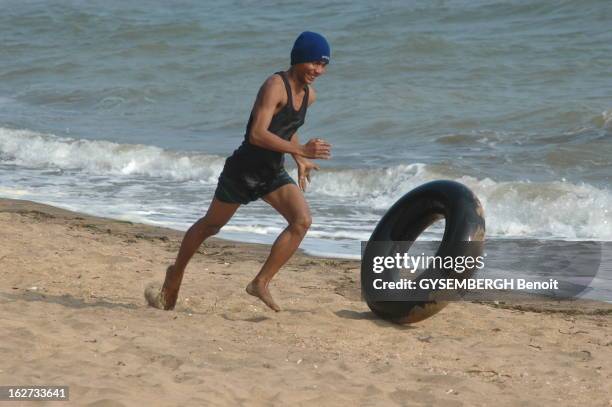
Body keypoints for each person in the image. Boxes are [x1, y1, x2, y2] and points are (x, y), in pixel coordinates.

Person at [145, 31, 332, 312]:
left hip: (271, 172)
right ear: (299, 59)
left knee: (302, 221)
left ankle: (261, 283)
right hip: (243, 171)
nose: (318, 70)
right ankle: (176, 274)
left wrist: (298, 157)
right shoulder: (274, 85)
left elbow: (287, 128)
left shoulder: (309, 96)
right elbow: (257, 134)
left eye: (324, 65)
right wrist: (303, 150)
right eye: (314, 63)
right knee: (211, 225)